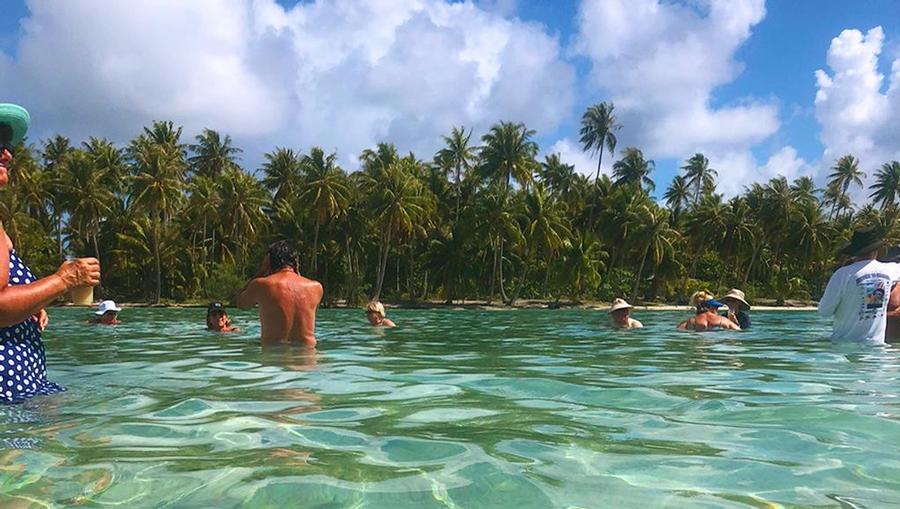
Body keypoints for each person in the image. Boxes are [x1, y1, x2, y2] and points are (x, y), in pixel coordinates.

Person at [0, 103, 101, 404]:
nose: (8, 154)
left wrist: (31, 301)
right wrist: (64, 279)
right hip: (9, 392)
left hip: (20, 388)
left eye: (8, 144)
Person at [818, 226, 900, 343]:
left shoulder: (842, 274)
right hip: (877, 350)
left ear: (854, 252)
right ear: (876, 250)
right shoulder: (889, 270)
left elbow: (824, 312)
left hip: (843, 348)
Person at [237, 241, 323, 347]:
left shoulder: (261, 285)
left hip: (274, 355)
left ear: (269, 262)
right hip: (308, 357)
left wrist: (261, 271)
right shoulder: (316, 288)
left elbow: (241, 303)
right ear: (296, 262)